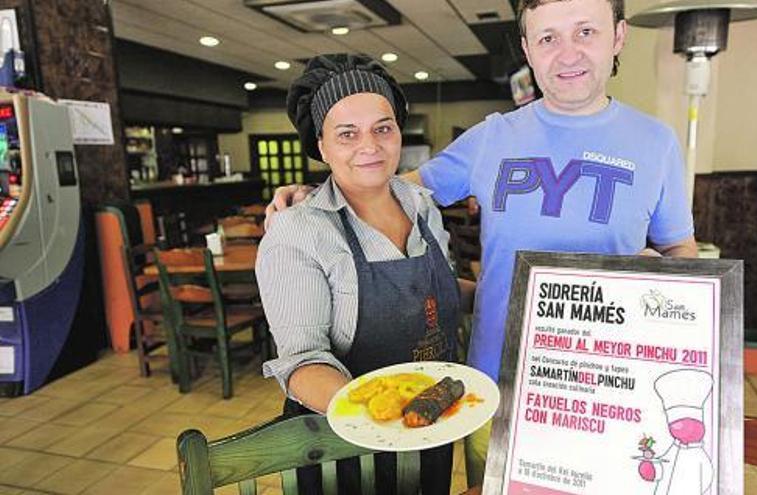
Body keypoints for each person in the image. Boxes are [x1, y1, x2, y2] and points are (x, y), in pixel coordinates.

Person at [266, 0, 698, 487]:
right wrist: (313, 195)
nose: (567, 53)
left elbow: (682, 250)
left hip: (607, 390)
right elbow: (383, 183)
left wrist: (662, 282)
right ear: (527, 49)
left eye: (586, 32)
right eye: (548, 38)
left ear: (618, 37)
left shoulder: (656, 142)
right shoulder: (492, 137)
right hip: (494, 386)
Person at [256, 53, 470, 494]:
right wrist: (381, 419)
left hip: (429, 428)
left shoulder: (422, 205)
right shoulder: (299, 231)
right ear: (321, 145)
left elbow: (436, 293)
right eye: (347, 134)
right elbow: (302, 362)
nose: (369, 146)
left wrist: (519, 295)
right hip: (342, 448)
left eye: (382, 128)